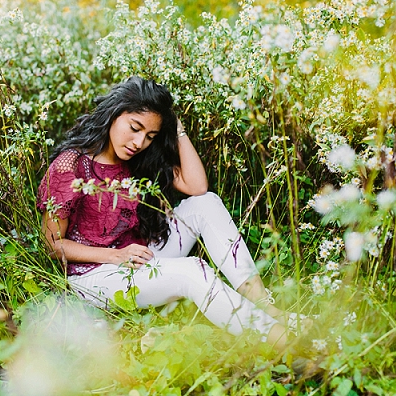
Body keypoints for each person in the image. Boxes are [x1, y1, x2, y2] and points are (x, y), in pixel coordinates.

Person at [37, 76, 307, 351]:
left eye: (150, 136)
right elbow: (52, 244)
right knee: (191, 271)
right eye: (134, 128)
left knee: (207, 203)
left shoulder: (139, 158)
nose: (139, 142)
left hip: (139, 257)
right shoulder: (71, 165)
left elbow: (197, 186)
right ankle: (279, 340)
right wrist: (114, 256)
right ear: (114, 113)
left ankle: (266, 306)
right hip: (94, 276)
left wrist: (175, 127)